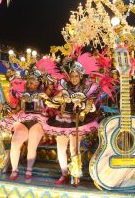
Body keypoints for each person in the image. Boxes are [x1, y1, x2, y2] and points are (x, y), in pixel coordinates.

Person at [41, 50, 100, 186]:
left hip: (77, 121)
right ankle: (64, 174)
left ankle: (76, 174)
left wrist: (82, 106)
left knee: (74, 148)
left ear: (81, 76)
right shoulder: (64, 87)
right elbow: (55, 101)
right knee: (61, 148)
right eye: (72, 75)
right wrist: (55, 99)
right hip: (62, 121)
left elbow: (91, 106)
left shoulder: (87, 89)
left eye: (76, 76)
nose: (74, 78)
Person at [0, 58, 61, 181]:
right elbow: (16, 109)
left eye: (33, 83)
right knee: (15, 143)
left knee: (32, 145)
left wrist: (46, 74)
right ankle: (14, 169)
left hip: (38, 121)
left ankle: (29, 170)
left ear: (38, 84)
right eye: (29, 82)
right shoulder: (22, 95)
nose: (30, 84)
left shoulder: (43, 93)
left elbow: (50, 86)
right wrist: (7, 108)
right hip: (22, 120)